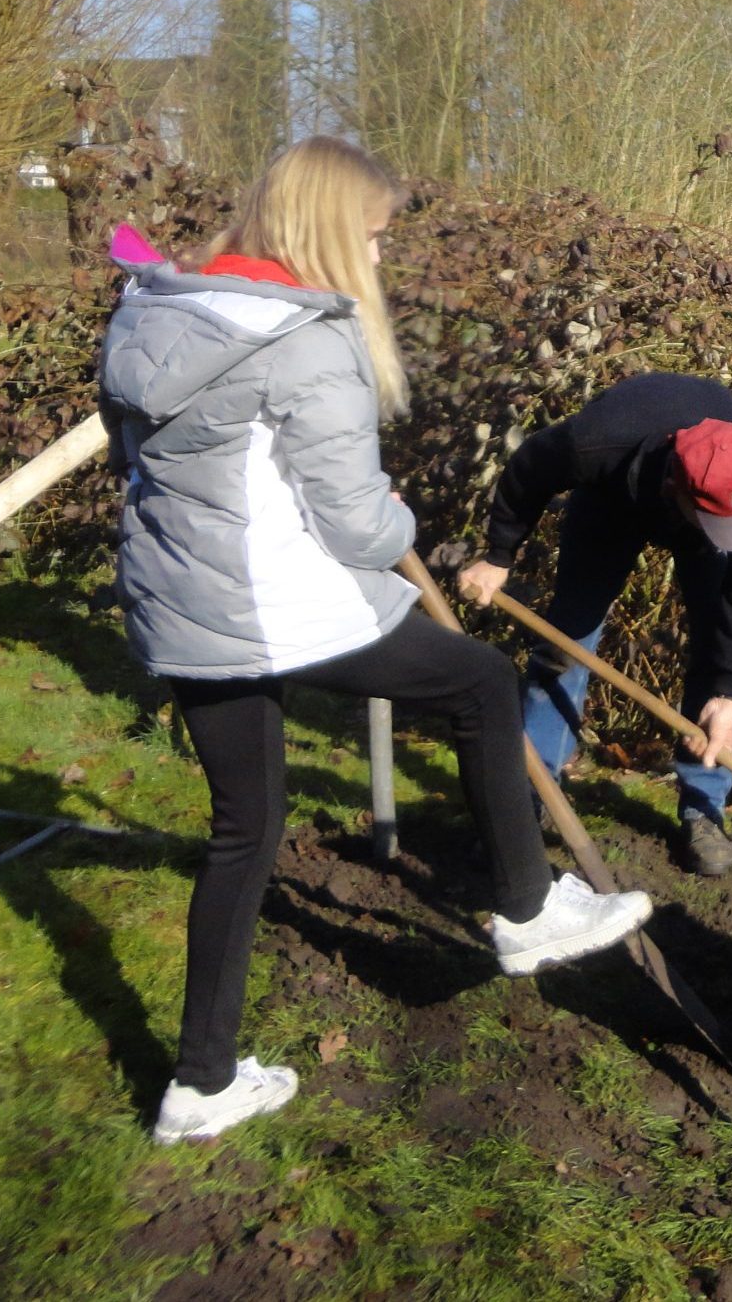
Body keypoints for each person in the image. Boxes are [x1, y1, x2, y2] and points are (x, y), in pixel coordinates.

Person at [97, 137, 651, 1145]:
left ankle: (201, 1083)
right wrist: (394, 524)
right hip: (261, 606)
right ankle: (527, 913)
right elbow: (355, 527)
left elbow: (152, 456)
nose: (381, 259)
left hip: (176, 602)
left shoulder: (160, 306)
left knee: (242, 832)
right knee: (482, 681)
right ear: (328, 232)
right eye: (374, 237)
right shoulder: (303, 338)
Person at [454, 374, 732, 878]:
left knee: (719, 658)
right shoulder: (599, 440)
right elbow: (530, 470)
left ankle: (704, 809)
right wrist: (500, 554)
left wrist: (731, 692)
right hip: (611, 503)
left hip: (706, 515)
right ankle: (533, 788)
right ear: (674, 484)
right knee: (565, 641)